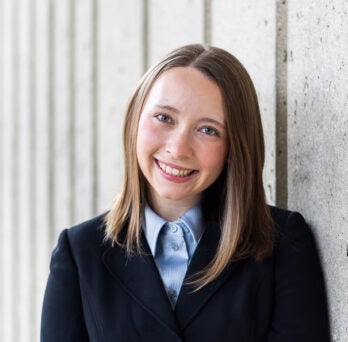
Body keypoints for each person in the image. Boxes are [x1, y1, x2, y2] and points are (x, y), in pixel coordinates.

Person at [41, 44, 330, 341]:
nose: (178, 149)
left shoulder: (280, 244)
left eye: (208, 130)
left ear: (235, 147)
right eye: (164, 118)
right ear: (135, 121)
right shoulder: (80, 253)